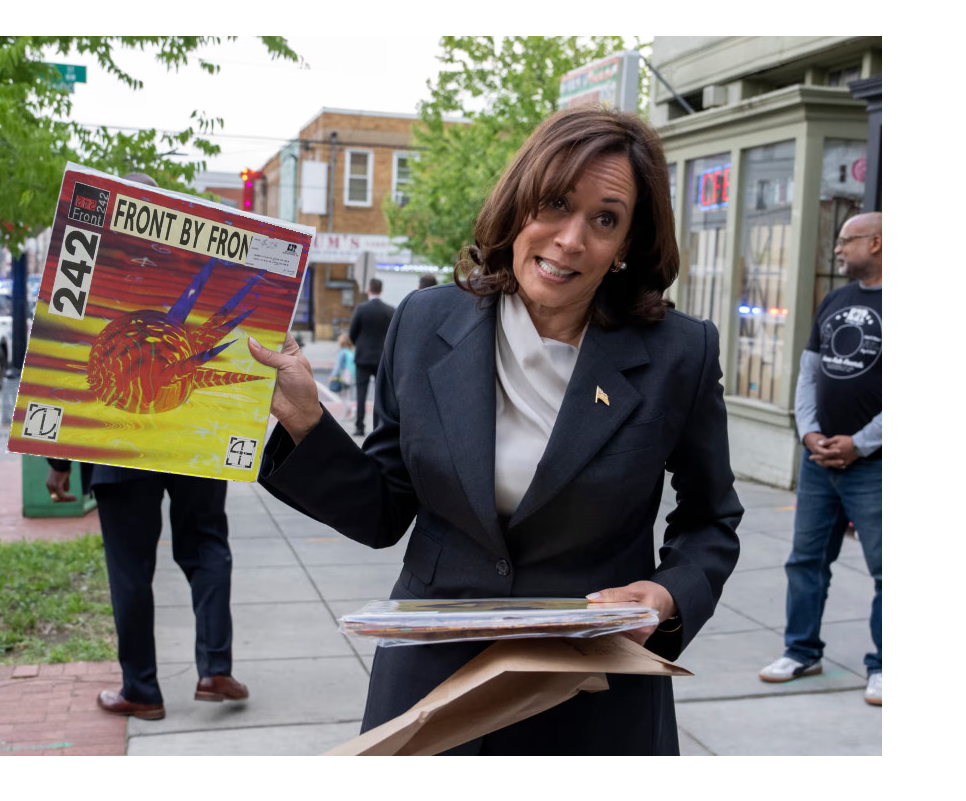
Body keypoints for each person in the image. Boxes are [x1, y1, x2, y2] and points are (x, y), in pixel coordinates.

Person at [247, 107, 743, 755]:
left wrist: (670, 593)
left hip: (591, 696)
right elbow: (384, 508)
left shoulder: (681, 352)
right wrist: (308, 425)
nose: (570, 238)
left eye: (604, 219)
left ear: (626, 243)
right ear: (519, 202)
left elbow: (710, 517)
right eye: (556, 203)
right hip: (432, 686)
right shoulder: (425, 322)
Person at [46, 171, 247, 722]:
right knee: (206, 544)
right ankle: (213, 667)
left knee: (130, 567)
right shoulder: (205, 262)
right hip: (193, 435)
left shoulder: (88, 262)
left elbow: (59, 360)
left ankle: (142, 690)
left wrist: (58, 460)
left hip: (115, 440)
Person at [759, 212, 882, 706]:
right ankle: (801, 650)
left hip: (876, 465)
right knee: (806, 561)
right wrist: (808, 431)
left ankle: (888, 665)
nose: (837, 249)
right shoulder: (834, 299)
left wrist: (862, 442)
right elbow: (809, 374)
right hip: (818, 462)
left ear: (877, 243)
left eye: (845, 240)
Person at [347, 278, 395, 437]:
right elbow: (392, 335)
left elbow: (352, 333)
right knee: (380, 394)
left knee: (361, 392)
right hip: (381, 357)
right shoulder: (389, 310)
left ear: (369, 289)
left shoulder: (361, 309)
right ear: (381, 290)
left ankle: (359, 426)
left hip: (363, 357)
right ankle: (378, 427)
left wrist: (359, 345)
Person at [329, 332, 356, 422]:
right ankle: (346, 414)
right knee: (347, 395)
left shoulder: (342, 352)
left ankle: (352, 409)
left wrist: (332, 376)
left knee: (342, 395)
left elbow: (338, 366)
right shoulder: (351, 351)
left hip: (343, 376)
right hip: (351, 376)